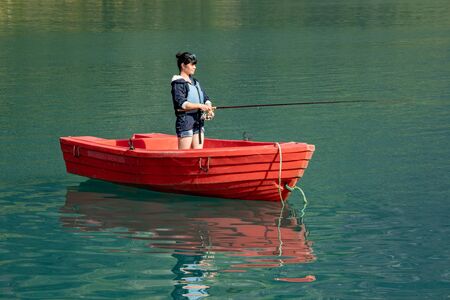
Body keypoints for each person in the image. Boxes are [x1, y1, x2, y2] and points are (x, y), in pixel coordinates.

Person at [171, 52, 214, 150]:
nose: (195, 67)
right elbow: (183, 104)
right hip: (185, 122)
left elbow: (206, 98)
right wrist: (200, 106)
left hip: (199, 121)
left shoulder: (196, 82)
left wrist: (209, 108)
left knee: (198, 153)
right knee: (184, 155)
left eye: (195, 65)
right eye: (192, 64)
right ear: (183, 65)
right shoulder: (178, 84)